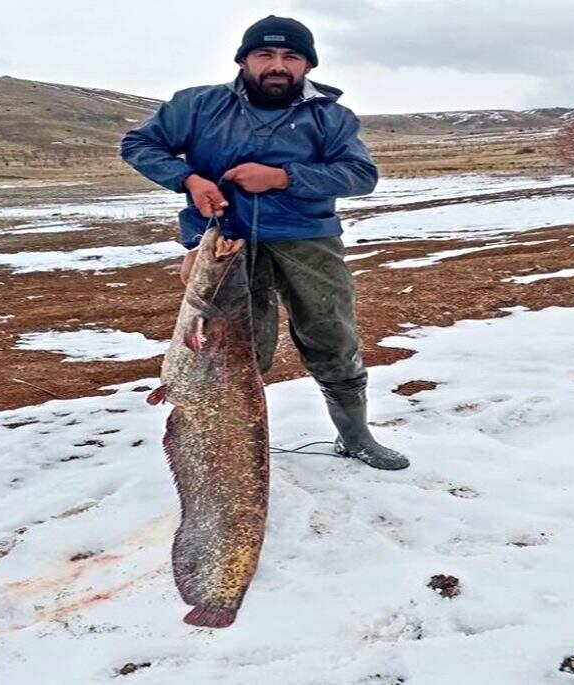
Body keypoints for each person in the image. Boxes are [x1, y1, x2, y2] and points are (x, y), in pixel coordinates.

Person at [120, 15, 410, 470]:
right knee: (232, 350)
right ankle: (229, 449)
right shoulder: (196, 106)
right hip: (223, 244)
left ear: (307, 66)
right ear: (243, 59)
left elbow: (360, 175)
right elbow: (139, 144)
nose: (278, 65)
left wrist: (282, 177)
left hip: (308, 240)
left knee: (333, 338)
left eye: (291, 56)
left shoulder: (331, 118)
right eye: (266, 54)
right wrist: (189, 179)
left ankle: (355, 438)